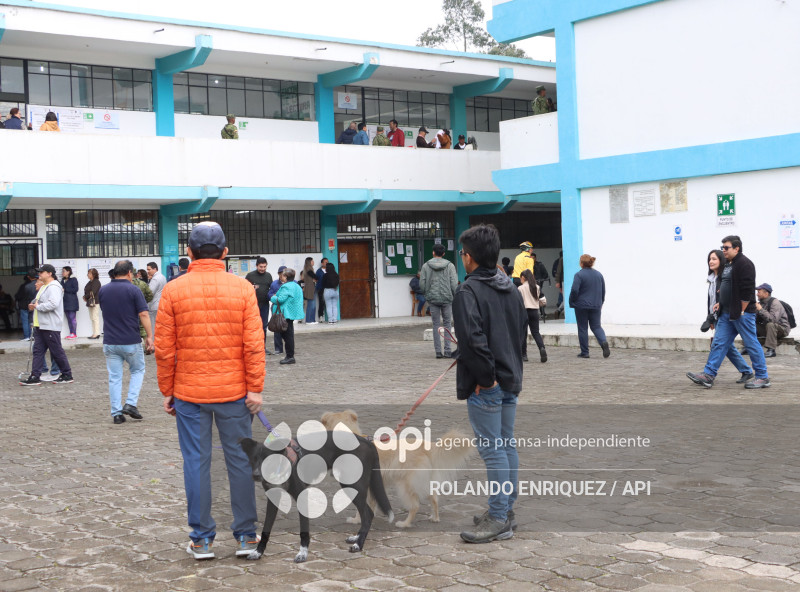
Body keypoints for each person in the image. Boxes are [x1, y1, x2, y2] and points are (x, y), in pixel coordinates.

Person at [155, 221, 264, 561]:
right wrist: (255, 388)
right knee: (240, 462)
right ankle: (246, 537)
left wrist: (167, 389)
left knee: (196, 462)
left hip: (189, 394)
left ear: (188, 253)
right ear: (226, 253)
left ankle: (201, 540)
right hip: (234, 393)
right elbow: (254, 344)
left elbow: (163, 347)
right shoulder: (243, 288)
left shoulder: (173, 290)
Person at [453, 224, 525, 544]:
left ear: (469, 258)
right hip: (510, 377)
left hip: (488, 384)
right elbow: (517, 334)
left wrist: (485, 379)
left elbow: (473, 339)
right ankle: (505, 510)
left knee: (493, 449)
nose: (462, 258)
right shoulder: (508, 287)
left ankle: (498, 518)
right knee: (506, 444)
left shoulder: (468, 291)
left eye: (462, 253)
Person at [687, 236, 770, 389]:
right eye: (722, 247)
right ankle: (708, 375)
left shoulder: (745, 264)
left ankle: (762, 377)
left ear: (736, 248)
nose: (723, 250)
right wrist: (721, 302)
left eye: (726, 247)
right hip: (727, 311)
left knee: (751, 344)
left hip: (741, 313)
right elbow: (727, 286)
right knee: (719, 343)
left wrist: (743, 310)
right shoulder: (729, 264)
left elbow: (747, 290)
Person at [99, 260, 154, 424]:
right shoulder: (134, 290)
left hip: (110, 341)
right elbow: (144, 314)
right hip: (130, 340)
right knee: (138, 370)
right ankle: (130, 403)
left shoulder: (103, 290)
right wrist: (150, 336)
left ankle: (116, 414)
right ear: (130, 273)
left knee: (114, 377)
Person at [700, 250, 754, 382]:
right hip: (717, 316)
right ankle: (746, 370)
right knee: (726, 346)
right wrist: (709, 318)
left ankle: (709, 374)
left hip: (724, 315)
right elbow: (711, 301)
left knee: (722, 344)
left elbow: (725, 299)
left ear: (721, 261)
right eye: (709, 259)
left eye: (714, 259)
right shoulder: (712, 279)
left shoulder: (724, 279)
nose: (711, 262)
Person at [19, 264, 74, 385]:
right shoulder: (45, 286)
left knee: (56, 351)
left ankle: (67, 374)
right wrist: (33, 304)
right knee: (38, 351)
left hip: (50, 325)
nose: (39, 274)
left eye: (42, 272)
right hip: (41, 325)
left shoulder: (54, 287)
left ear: (49, 273)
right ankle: (35, 376)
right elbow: (38, 301)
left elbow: (53, 304)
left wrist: (37, 306)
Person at [419, 244, 458, 359]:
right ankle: (447, 351)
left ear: (433, 252)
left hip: (432, 298)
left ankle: (437, 352)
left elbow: (422, 283)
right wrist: (453, 295)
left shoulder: (426, 266)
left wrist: (427, 294)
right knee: (447, 324)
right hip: (447, 298)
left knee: (435, 324)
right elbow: (454, 283)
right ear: (444, 253)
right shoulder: (450, 266)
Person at [569, 254, 610, 359]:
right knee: (596, 326)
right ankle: (603, 342)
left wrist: (572, 301)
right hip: (596, 305)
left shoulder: (579, 275)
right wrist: (600, 302)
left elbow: (574, 290)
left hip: (581, 305)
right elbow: (603, 291)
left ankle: (585, 352)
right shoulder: (599, 275)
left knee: (583, 328)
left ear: (581, 263)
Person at [270, 268, 305, 365]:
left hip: (286, 313)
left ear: (285, 276)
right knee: (289, 334)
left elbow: (280, 299)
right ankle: (290, 355)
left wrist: (273, 297)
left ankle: (290, 356)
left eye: (283, 275)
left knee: (287, 336)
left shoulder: (286, 287)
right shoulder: (296, 285)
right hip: (292, 313)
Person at [754, 283, 791, 358]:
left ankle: (771, 350)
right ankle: (749, 347)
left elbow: (773, 319)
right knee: (749, 324)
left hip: (782, 329)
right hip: (769, 329)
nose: (757, 294)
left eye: (759, 292)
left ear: (766, 293)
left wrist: (760, 309)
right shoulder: (761, 303)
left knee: (770, 324)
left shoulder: (775, 302)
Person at [519, 269, 547, 363]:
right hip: (534, 311)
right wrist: (536, 304)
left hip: (524, 312)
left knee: (523, 333)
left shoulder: (520, 288)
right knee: (536, 332)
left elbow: (518, 302)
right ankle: (542, 348)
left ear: (523, 277)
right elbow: (543, 301)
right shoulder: (537, 287)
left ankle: (524, 355)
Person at [245, 256, 274, 350]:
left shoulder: (268, 276)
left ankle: (263, 347)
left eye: (265, 267)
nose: (263, 269)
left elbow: (272, 289)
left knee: (263, 326)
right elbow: (245, 289)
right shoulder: (250, 276)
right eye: (261, 267)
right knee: (252, 327)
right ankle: (253, 346)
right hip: (252, 306)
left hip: (265, 305)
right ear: (256, 266)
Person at [267, 265, 287, 354]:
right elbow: (269, 294)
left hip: (287, 309)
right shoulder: (274, 283)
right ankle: (278, 349)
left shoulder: (292, 282)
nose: (284, 275)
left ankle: (289, 348)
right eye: (282, 273)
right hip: (276, 309)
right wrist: (272, 296)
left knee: (288, 328)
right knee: (277, 327)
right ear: (279, 274)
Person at [15, 270, 38, 340]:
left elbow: (18, 296)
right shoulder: (38, 284)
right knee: (33, 320)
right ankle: (33, 335)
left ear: (28, 277)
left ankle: (27, 336)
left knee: (25, 321)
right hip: (34, 305)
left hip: (24, 305)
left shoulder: (24, 286)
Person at [146, 261, 167, 331]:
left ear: (155, 269)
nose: (148, 271)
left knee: (152, 327)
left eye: (149, 269)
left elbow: (150, 292)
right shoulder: (162, 277)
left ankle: (153, 341)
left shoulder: (155, 279)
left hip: (154, 306)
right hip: (161, 304)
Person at [60, 266, 79, 338]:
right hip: (65, 302)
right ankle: (71, 333)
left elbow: (75, 289)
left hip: (72, 302)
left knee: (72, 318)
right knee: (68, 319)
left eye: (64, 271)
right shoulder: (62, 280)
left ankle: (74, 333)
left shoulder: (73, 280)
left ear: (68, 272)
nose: (62, 273)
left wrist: (65, 289)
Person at [84, 268, 102, 339]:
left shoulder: (96, 282)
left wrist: (85, 296)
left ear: (93, 274)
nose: (88, 275)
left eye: (89, 273)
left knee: (95, 318)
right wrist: (85, 296)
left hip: (95, 302)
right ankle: (94, 333)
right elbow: (87, 290)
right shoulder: (90, 282)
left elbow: (93, 292)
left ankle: (97, 333)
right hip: (90, 302)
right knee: (92, 318)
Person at [300, 257, 317, 324]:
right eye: (312, 261)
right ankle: (308, 320)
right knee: (311, 304)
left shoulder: (309, 269)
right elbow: (315, 276)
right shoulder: (308, 269)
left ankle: (312, 320)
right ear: (309, 262)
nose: (313, 262)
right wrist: (315, 278)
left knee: (313, 304)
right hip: (310, 288)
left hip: (312, 287)